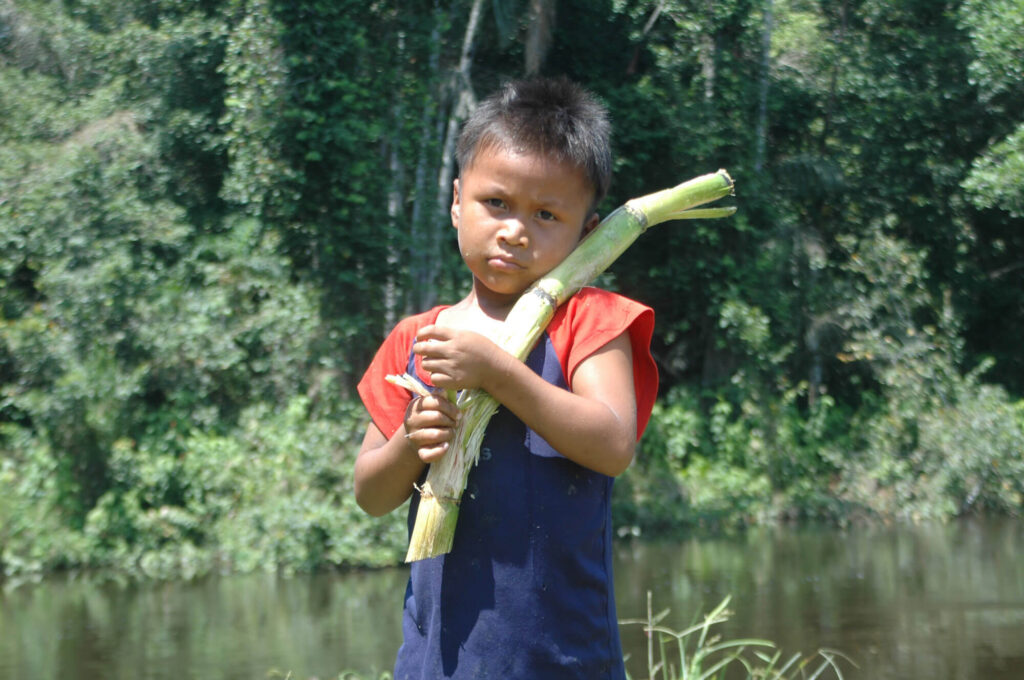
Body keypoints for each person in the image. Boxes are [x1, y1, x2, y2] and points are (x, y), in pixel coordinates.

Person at [354, 76, 659, 680]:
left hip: (565, 661)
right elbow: (370, 494)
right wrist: (412, 441)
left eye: (546, 214)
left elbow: (612, 444)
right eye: (496, 203)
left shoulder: (590, 321)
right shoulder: (418, 339)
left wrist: (497, 371)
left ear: (588, 232)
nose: (515, 231)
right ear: (457, 202)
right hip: (436, 662)